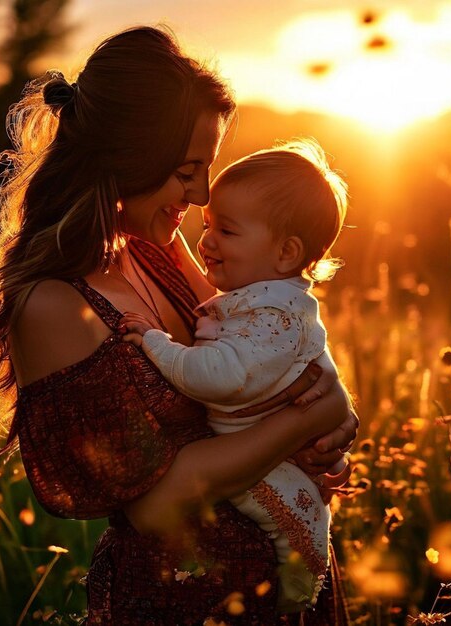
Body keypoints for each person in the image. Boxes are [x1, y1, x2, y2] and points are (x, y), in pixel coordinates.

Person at [0, 26, 358, 625]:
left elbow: (270, 352)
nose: (202, 196)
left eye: (208, 169)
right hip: (181, 602)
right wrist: (308, 417)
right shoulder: (51, 304)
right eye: (186, 171)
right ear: (129, 158)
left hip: (281, 587)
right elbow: (160, 504)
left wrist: (327, 431)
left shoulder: (159, 254)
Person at [120, 139, 352, 612]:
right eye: (206, 226)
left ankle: (297, 604)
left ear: (286, 253)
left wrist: (154, 342)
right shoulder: (264, 294)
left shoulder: (276, 314)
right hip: (254, 454)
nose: (206, 239)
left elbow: (217, 375)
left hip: (263, 463)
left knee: (297, 530)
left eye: (225, 230)